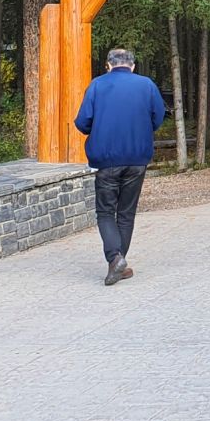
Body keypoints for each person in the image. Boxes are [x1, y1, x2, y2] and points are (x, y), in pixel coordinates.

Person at [74, 47, 166, 286]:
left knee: (105, 212)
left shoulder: (97, 85)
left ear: (108, 65)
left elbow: (83, 122)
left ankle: (115, 258)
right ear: (132, 65)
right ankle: (118, 264)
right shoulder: (146, 85)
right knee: (126, 212)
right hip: (137, 158)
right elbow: (158, 117)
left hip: (106, 159)